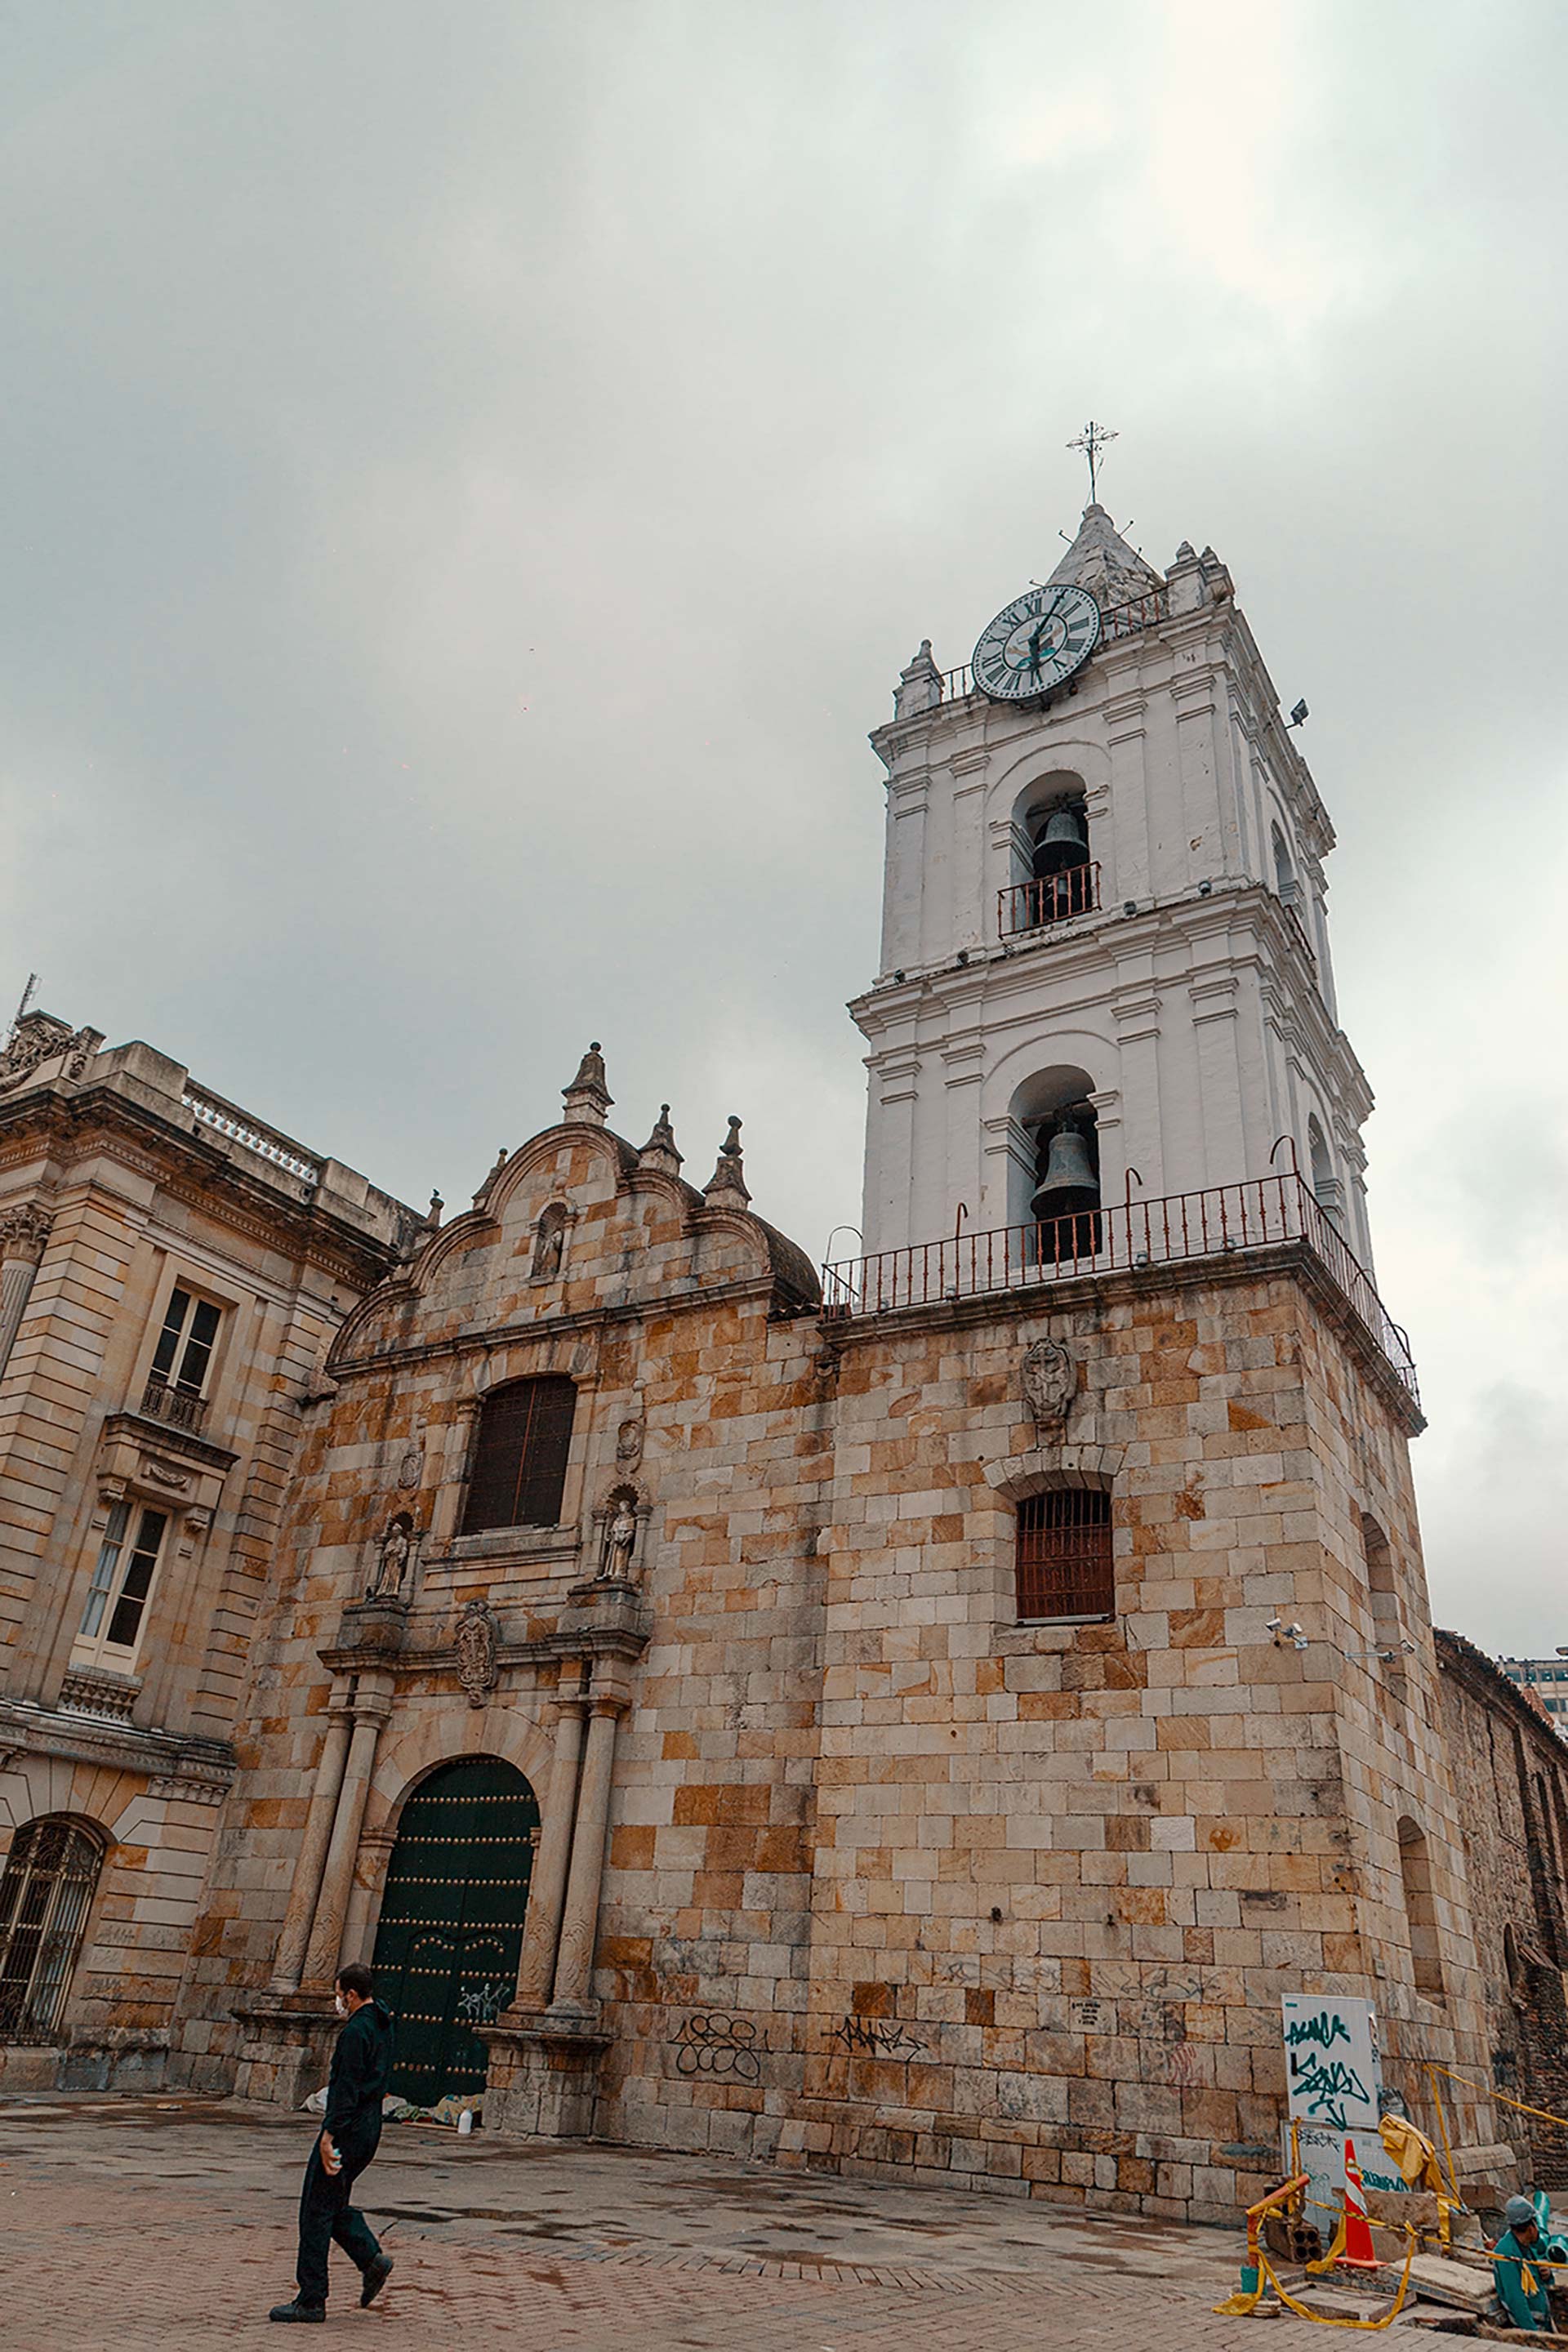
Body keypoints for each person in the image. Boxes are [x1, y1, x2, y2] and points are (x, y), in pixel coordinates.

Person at [269, 1962, 395, 2323]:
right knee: (331, 2202)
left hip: (348, 2127)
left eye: (339, 1995)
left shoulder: (356, 2032)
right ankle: (371, 2260)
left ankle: (312, 2299)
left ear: (351, 1994)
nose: (337, 2002)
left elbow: (346, 2088)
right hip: (368, 2126)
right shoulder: (383, 2022)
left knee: (315, 2209)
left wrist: (329, 2135)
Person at [1492, 2194, 1556, 2333]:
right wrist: (1533, 2334)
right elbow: (1515, 2299)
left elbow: (1538, 2281)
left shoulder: (1526, 2246)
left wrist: (1547, 2275)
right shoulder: (1506, 2253)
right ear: (1531, 2228)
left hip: (1543, 2323)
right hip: (1530, 2327)